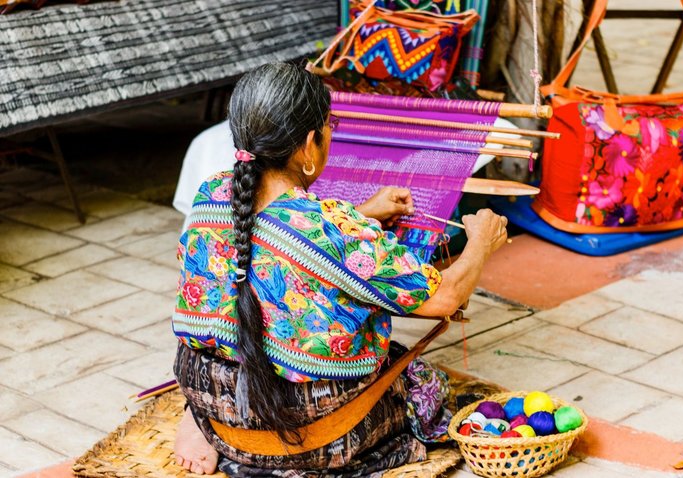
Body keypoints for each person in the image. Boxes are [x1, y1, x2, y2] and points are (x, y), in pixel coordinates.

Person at [172, 62, 508, 476]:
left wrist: (362, 214)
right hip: (307, 431)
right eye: (330, 125)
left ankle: (202, 421)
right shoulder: (334, 231)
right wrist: (481, 242)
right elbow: (445, 298)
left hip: (215, 400)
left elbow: (272, 238)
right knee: (425, 385)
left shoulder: (212, 195)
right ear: (310, 143)